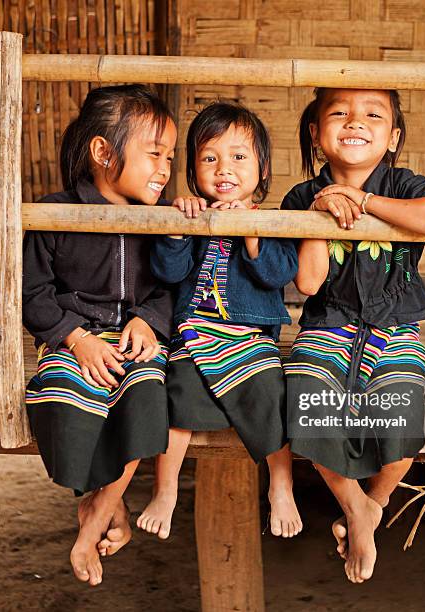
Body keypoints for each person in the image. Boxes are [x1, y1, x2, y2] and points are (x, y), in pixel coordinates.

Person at [282, 87, 425, 583]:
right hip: (327, 325)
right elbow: (309, 283)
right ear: (316, 134)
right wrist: (320, 214)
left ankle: (375, 504)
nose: (355, 121)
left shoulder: (403, 185)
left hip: (395, 325)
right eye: (338, 113)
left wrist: (364, 200)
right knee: (307, 398)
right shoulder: (300, 197)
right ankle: (354, 506)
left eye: (373, 115)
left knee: (401, 407)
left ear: (393, 137)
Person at [23, 84, 177, 586]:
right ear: (103, 152)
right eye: (154, 154)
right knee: (68, 397)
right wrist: (73, 337)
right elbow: (33, 292)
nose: (165, 168)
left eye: (170, 157)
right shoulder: (53, 215)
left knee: (147, 396)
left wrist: (147, 319)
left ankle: (99, 513)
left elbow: (173, 288)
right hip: (73, 342)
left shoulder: (159, 222)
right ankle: (106, 508)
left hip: (135, 343)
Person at [139, 102, 303, 540]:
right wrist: (176, 230)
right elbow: (169, 273)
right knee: (176, 397)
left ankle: (281, 487)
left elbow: (279, 274)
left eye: (238, 157)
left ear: (262, 169)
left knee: (272, 393)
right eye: (210, 158)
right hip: (195, 334)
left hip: (251, 337)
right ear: (194, 170)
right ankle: (166, 489)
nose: (223, 168)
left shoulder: (272, 223)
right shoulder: (191, 216)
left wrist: (252, 236)